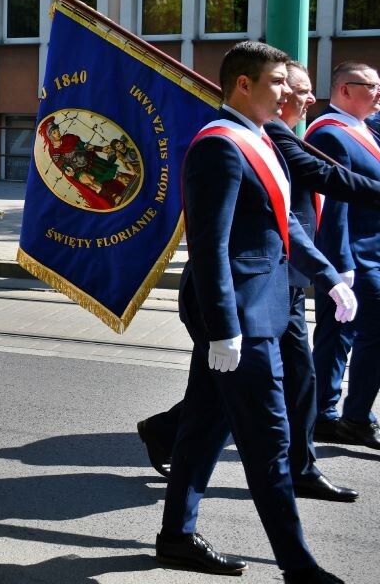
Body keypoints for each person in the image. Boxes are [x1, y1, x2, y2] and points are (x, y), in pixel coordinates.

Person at [155, 42, 351, 583]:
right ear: (244, 84)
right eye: (277, 81)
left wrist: (329, 277)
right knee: (270, 443)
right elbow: (210, 246)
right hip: (243, 318)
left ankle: (176, 537)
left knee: (202, 427)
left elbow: (284, 226)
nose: (287, 91)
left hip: (262, 309)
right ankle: (298, 567)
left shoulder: (260, 138)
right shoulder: (220, 145)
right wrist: (225, 329)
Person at [136, 60, 373, 502]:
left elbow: (291, 219)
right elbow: (324, 178)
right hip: (249, 290)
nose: (304, 98)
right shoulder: (257, 135)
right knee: (230, 398)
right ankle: (256, 489)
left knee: (288, 382)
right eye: (291, 87)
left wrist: (325, 272)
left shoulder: (273, 133)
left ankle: (293, 470)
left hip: (283, 279)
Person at [305, 61, 380, 451]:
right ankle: (354, 417)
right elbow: (333, 204)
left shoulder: (364, 127)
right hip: (355, 256)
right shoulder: (330, 133)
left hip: (372, 251)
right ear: (344, 89)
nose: (378, 94)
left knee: (339, 334)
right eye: (371, 86)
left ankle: (325, 412)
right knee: (364, 332)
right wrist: (341, 264)